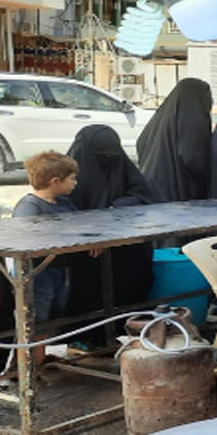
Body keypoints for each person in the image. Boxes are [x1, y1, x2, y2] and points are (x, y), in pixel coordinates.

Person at [65, 125, 157, 333]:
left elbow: (144, 196)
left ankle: (127, 330)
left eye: (111, 153)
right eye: (101, 154)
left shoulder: (122, 167)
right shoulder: (70, 174)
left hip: (126, 245)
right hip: (89, 249)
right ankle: (90, 336)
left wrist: (117, 207)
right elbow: (64, 211)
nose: (107, 158)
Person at [12, 152, 82, 326]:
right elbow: (25, 234)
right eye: (72, 178)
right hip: (38, 269)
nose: (75, 183)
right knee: (39, 309)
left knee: (58, 306)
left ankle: (48, 348)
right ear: (55, 181)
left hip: (60, 266)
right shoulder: (30, 206)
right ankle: (36, 351)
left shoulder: (65, 203)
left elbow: (80, 226)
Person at [137, 76, 213, 202]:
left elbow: (141, 144)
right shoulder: (194, 120)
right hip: (177, 192)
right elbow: (193, 157)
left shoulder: (162, 117)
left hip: (152, 187)